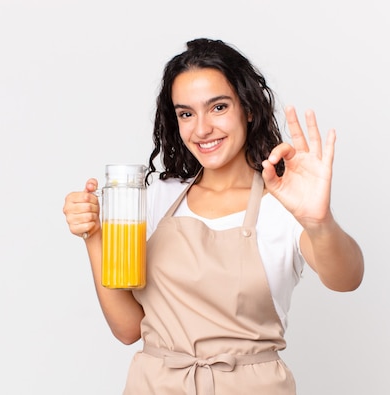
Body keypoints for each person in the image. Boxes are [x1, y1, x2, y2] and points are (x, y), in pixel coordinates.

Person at [63, 38, 364, 395]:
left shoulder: (285, 201)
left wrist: (319, 221)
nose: (201, 128)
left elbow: (346, 278)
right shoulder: (156, 195)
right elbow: (129, 329)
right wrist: (94, 234)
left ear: (248, 109)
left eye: (218, 107)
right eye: (186, 113)